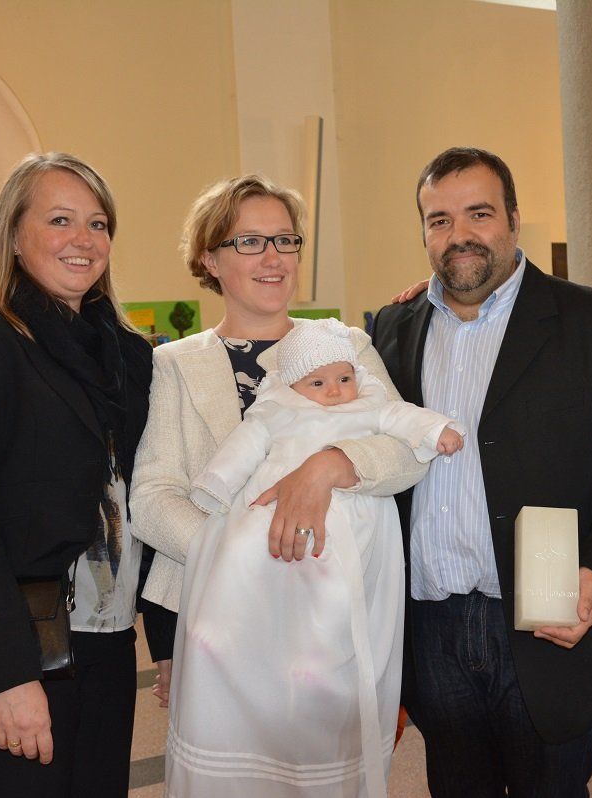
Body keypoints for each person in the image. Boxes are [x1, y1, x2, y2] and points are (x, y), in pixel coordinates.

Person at [372, 147, 592, 796]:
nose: (460, 234)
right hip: (430, 629)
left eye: (479, 214)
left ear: (513, 219)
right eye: (439, 220)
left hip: (543, 621)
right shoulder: (391, 329)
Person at [128, 174, 429, 795]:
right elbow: (152, 497)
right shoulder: (175, 363)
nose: (273, 258)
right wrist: (241, 556)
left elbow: (406, 449)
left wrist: (331, 465)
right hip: (225, 619)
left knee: (328, 778)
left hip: (334, 619)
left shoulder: (346, 344)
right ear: (209, 259)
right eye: (249, 242)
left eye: (285, 240)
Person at [0, 152, 153, 796]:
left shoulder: (128, 353)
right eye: (60, 220)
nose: (83, 239)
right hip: (16, 635)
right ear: (13, 235)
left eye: (98, 224)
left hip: (107, 636)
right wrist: (8, 676)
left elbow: (143, 496)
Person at [175, 318, 461, 797]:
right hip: (268, 525)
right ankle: (222, 632)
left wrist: (438, 430)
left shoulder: (368, 401)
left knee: (331, 610)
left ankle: (315, 678)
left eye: (343, 378)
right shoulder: (277, 409)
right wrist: (215, 488)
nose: (334, 391)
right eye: (318, 383)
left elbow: (403, 418)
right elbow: (241, 450)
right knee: (239, 567)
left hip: (351, 532)